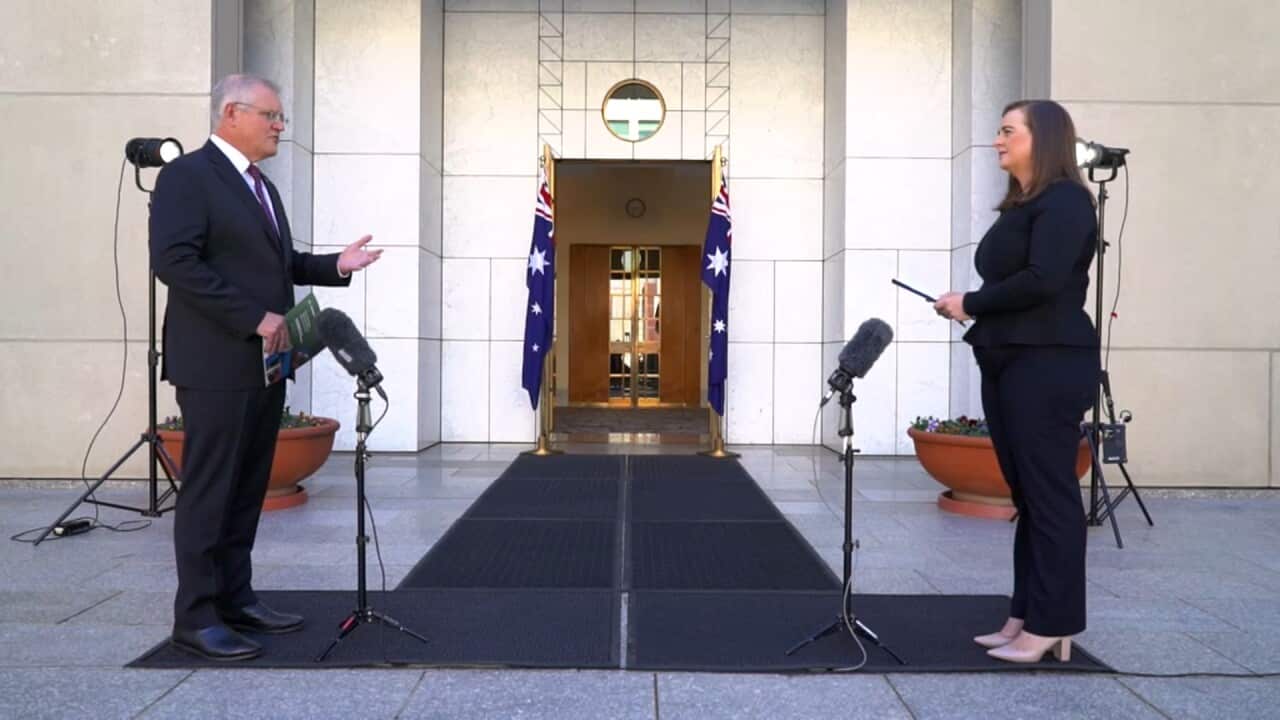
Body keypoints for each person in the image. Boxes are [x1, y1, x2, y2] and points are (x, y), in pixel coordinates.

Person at [150, 74, 382, 661]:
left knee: (247, 485)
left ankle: (235, 597)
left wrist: (337, 264)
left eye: (280, 118)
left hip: (265, 365)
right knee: (211, 488)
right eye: (271, 116)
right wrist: (252, 316)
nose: (280, 126)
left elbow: (282, 264)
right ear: (232, 112)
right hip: (216, 360)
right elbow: (174, 262)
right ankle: (196, 616)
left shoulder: (261, 187)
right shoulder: (187, 177)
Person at [933, 99, 1100, 665]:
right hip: (1009, 360)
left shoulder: (1068, 201)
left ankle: (1053, 624)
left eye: (1008, 131)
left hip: (1047, 362)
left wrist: (971, 302)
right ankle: (1025, 614)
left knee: (1049, 496)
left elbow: (1045, 280)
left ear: (1042, 138)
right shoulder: (1023, 206)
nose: (997, 140)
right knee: (1028, 495)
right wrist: (973, 308)